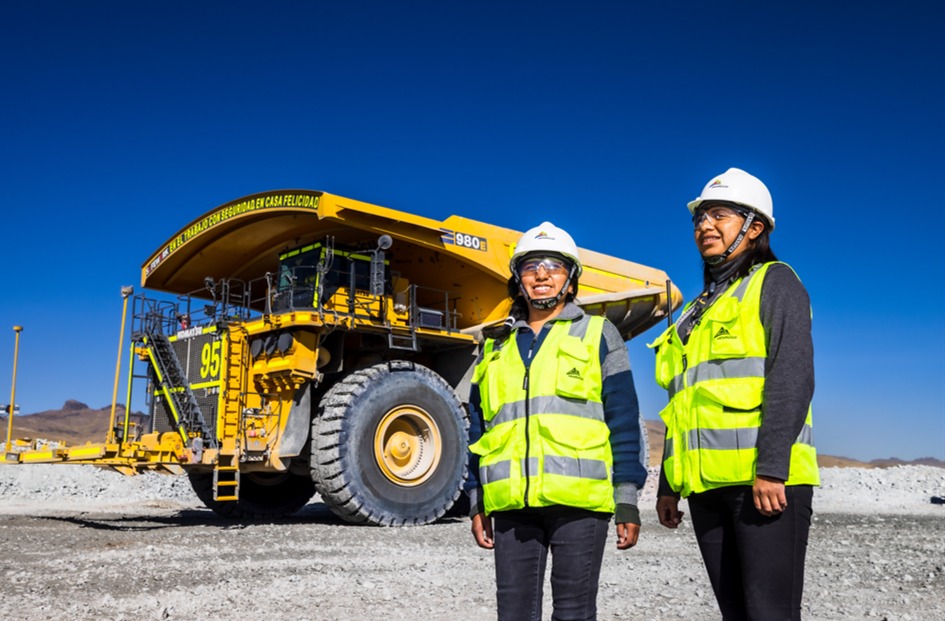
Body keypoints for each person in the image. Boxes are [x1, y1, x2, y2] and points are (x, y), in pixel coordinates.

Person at [650, 168, 819, 621]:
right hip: (706, 488)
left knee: (770, 613)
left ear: (754, 227)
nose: (704, 226)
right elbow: (682, 404)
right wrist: (669, 485)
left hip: (762, 486)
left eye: (719, 215)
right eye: (700, 218)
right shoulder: (695, 311)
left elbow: (792, 375)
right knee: (735, 613)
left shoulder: (775, 282)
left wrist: (771, 469)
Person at [466, 221, 648, 621]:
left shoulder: (600, 334)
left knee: (574, 613)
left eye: (553, 265)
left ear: (571, 277)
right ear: (518, 278)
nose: (542, 274)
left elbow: (623, 422)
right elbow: (478, 429)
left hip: (580, 506)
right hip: (512, 504)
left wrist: (627, 501)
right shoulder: (495, 347)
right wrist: (476, 500)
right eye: (531, 266)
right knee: (513, 614)